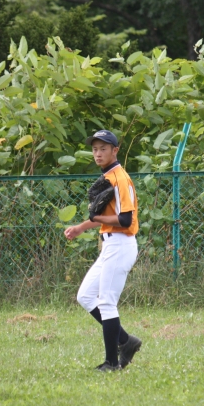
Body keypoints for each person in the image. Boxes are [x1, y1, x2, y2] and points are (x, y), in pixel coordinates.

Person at [64, 129, 142, 372]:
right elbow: (106, 216)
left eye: (103, 149)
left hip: (121, 244)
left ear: (115, 150)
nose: (98, 153)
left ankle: (112, 363)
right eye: (95, 149)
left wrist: (95, 217)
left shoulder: (120, 178)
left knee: (107, 302)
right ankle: (126, 341)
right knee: (86, 296)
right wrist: (81, 227)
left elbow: (125, 220)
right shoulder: (109, 176)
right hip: (110, 244)